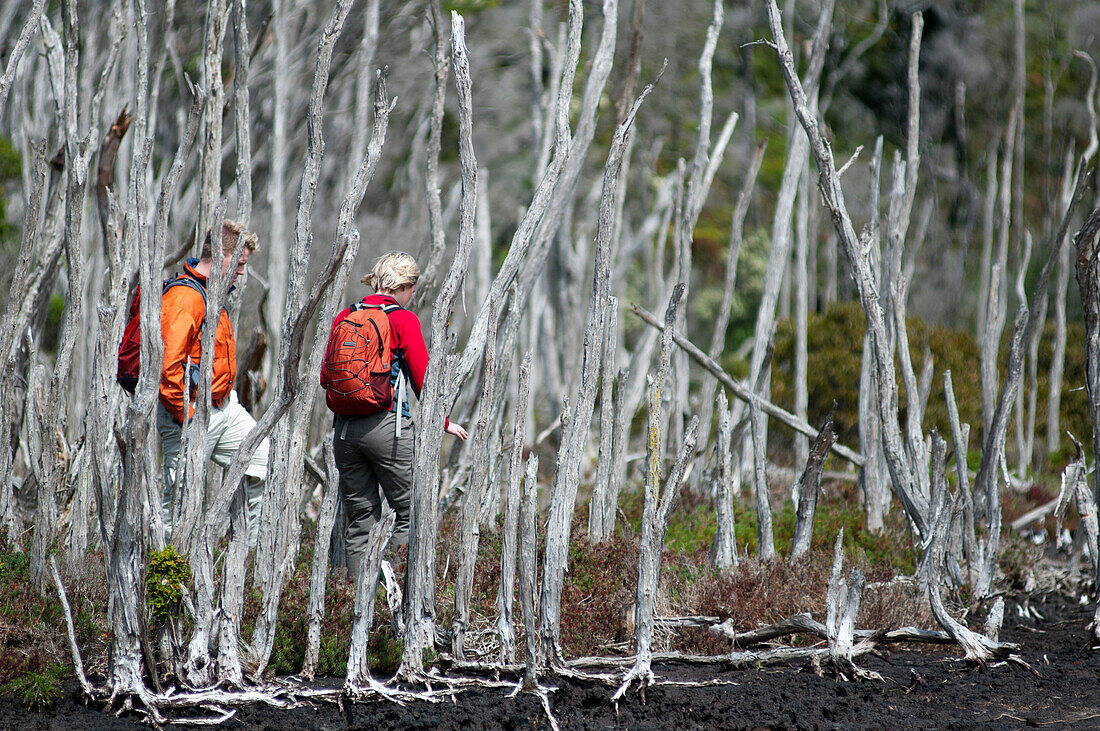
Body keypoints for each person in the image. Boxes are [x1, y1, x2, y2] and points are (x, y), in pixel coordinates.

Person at [325, 251, 468, 577]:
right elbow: (423, 381)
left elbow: (325, 377)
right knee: (410, 511)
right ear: (404, 286)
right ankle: (402, 594)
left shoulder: (346, 315)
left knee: (361, 519)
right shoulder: (402, 319)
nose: (412, 296)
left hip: (345, 431)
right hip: (387, 427)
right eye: (412, 289)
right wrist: (443, 422)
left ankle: (359, 602)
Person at [158, 219, 269, 544]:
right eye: (240, 264)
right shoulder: (184, 298)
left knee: (263, 458)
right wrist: (188, 415)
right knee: (178, 504)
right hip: (191, 416)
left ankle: (247, 561)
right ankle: (164, 582)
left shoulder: (212, 293)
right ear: (223, 256)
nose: (241, 273)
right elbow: (168, 368)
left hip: (224, 408)